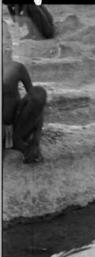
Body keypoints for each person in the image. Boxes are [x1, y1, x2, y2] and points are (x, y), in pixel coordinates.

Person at [2, 27, 47, 164]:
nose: (6, 43)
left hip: (18, 126)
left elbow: (37, 105)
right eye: (2, 38)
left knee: (39, 92)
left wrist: (36, 140)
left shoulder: (17, 68)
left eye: (8, 38)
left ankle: (17, 139)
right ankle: (12, 142)